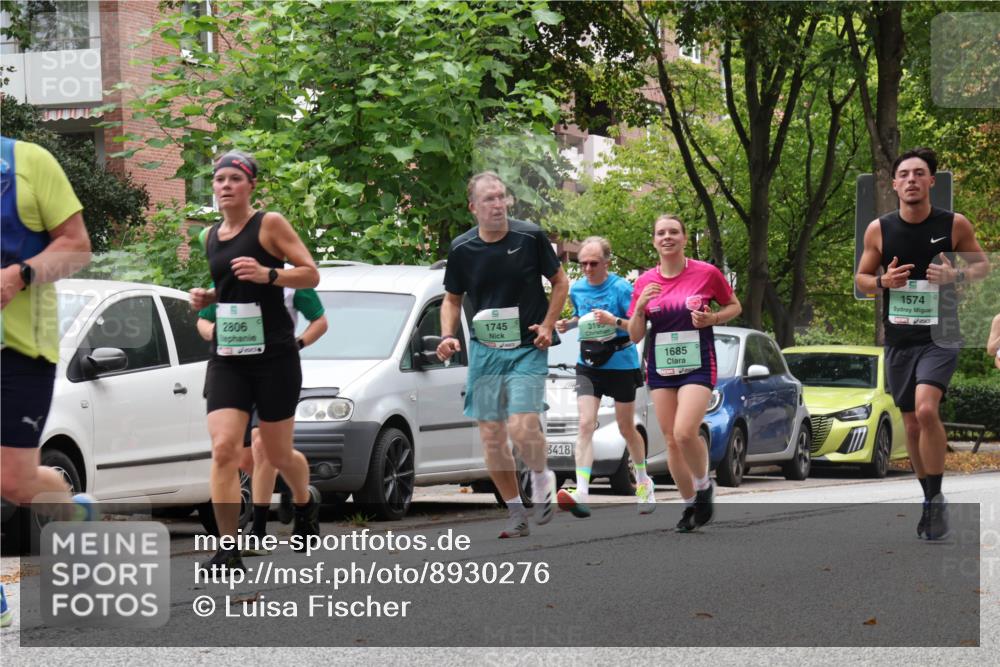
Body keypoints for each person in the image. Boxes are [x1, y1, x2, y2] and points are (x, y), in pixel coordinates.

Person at [190, 150, 321, 570]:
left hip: (275, 357)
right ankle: (229, 547)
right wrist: (210, 296)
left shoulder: (269, 224)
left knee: (279, 454)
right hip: (228, 356)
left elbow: (311, 273)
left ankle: (303, 502)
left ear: (250, 186)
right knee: (225, 448)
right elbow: (228, 283)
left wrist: (271, 274)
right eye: (218, 179)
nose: (224, 185)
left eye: (234, 179)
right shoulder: (210, 236)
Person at [855, 147, 990, 541]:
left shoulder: (954, 224)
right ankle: (932, 498)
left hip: (940, 336)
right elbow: (862, 277)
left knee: (927, 410)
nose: (912, 180)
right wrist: (883, 282)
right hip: (900, 339)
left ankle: (934, 498)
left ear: (932, 181)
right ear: (895, 184)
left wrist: (956, 277)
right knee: (912, 424)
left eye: (919, 173)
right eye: (905, 174)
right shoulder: (879, 229)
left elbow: (982, 265)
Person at [437, 171, 569, 538]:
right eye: (489, 199)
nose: (498, 205)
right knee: (492, 437)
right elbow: (452, 298)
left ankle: (541, 476)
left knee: (521, 426)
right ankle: (515, 512)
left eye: (502, 197)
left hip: (528, 345)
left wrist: (547, 324)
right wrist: (448, 335)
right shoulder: (462, 248)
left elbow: (560, 282)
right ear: (474, 207)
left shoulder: (530, 237)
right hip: (485, 351)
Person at [1, 135, 94, 627]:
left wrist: (19, 274)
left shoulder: (29, 162)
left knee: (15, 484)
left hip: (20, 350)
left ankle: (74, 510)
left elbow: (77, 248)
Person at [627, 215, 741, 532]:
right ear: (654, 240)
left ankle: (704, 487)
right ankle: (689, 503)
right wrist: (639, 309)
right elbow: (635, 335)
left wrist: (713, 317)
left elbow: (735, 306)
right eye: (661, 233)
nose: (667, 237)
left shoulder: (706, 273)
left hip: (698, 364)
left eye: (673, 232)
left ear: (684, 238)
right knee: (670, 441)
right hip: (661, 367)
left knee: (684, 432)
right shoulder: (644, 282)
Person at [197, 281, 328, 555]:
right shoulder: (229, 272)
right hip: (230, 370)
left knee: (262, 446)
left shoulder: (290, 279)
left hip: (273, 370)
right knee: (243, 459)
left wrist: (297, 343)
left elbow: (320, 322)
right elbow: (203, 320)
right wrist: (214, 332)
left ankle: (257, 531)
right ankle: (301, 493)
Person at [554, 236, 650, 517]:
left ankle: (643, 482)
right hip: (589, 363)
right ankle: (581, 490)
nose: (587, 268)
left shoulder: (621, 288)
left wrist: (614, 321)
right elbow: (583, 318)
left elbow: (635, 327)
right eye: (582, 263)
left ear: (606, 262)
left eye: (593, 263)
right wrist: (568, 324)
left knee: (626, 428)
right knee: (585, 424)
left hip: (620, 361)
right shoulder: (579, 288)